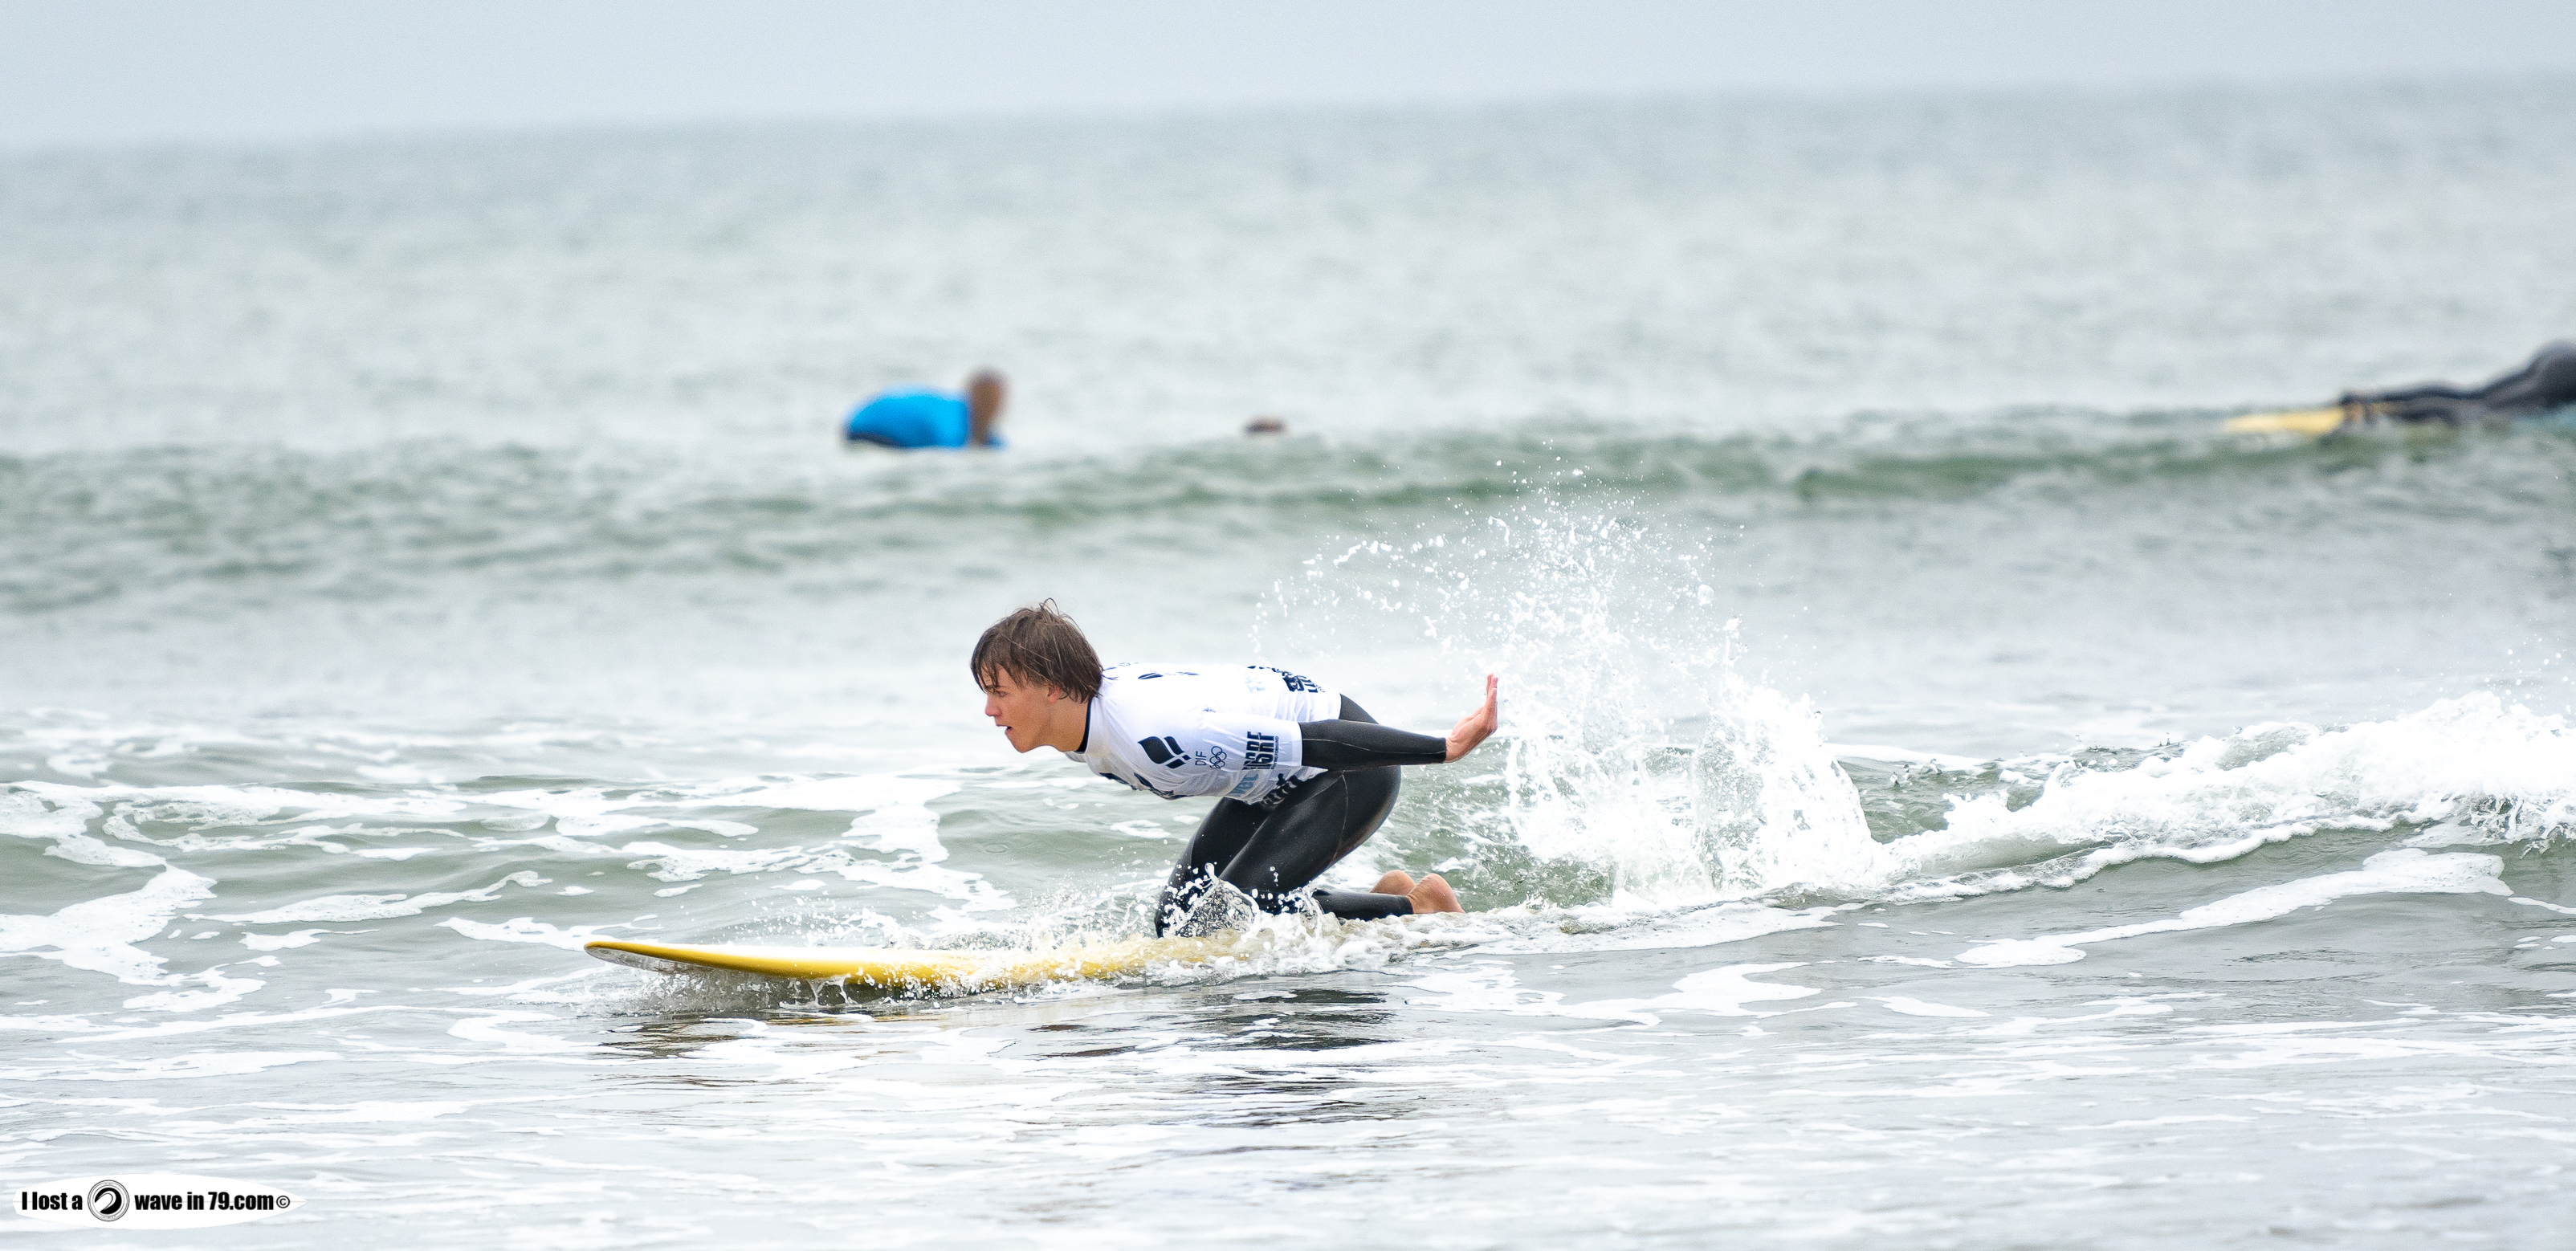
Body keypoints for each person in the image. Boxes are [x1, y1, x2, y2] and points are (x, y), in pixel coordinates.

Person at [971, 601, 1498, 935]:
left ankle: (1421, 908)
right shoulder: (1078, 722)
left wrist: (1443, 748)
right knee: (1178, 924)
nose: (990, 710)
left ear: (1054, 687)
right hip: (1270, 783)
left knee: (1226, 920)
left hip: (1346, 770)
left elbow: (1319, 740)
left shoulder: (1161, 734)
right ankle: (1386, 908)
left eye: (1000, 692)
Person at [2338, 340, 2576, 426]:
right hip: (2567, 374)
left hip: (2561, 354)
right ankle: (2372, 414)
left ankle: (2371, 399)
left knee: (2473, 396)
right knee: (2479, 412)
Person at [845, 369, 1007, 448]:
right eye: (989, 400)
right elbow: (949, 451)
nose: (994, 408)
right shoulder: (954, 417)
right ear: (973, 396)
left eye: (997, 402)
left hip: (860, 421)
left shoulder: (957, 411)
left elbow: (994, 443)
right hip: (870, 428)